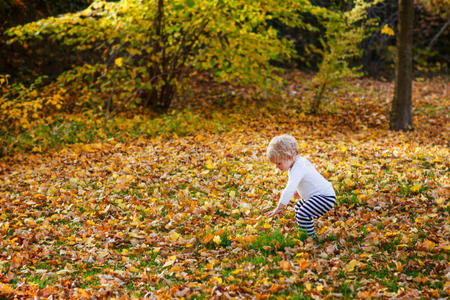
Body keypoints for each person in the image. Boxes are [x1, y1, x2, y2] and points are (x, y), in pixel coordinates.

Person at [265, 134, 336, 238]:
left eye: (279, 163)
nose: (277, 167)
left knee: (303, 213)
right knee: (298, 207)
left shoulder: (298, 167)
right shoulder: (297, 163)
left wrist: (279, 208)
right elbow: (307, 178)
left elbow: (289, 188)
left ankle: (309, 238)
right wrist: (299, 191)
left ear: (290, 156)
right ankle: (304, 231)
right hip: (318, 196)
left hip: (324, 197)